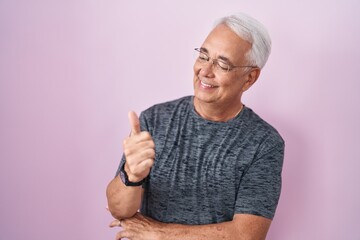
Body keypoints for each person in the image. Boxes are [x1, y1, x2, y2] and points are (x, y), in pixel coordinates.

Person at [106, 12, 285, 240]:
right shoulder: (154, 119)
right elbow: (118, 210)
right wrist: (131, 175)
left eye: (222, 64)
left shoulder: (264, 143)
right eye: (203, 55)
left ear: (249, 78)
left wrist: (158, 234)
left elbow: (246, 235)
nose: (205, 71)